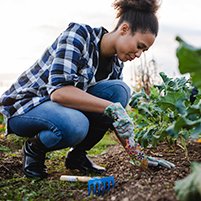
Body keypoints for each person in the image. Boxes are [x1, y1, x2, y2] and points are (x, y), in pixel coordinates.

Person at [0, 0, 175, 179]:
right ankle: (34, 150)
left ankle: (77, 157)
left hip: (59, 110)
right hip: (26, 107)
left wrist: (138, 156)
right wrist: (111, 107)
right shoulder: (79, 35)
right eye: (139, 46)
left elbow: (114, 117)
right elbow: (59, 92)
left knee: (119, 90)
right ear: (124, 29)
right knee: (77, 124)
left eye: (143, 52)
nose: (138, 55)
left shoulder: (115, 65)